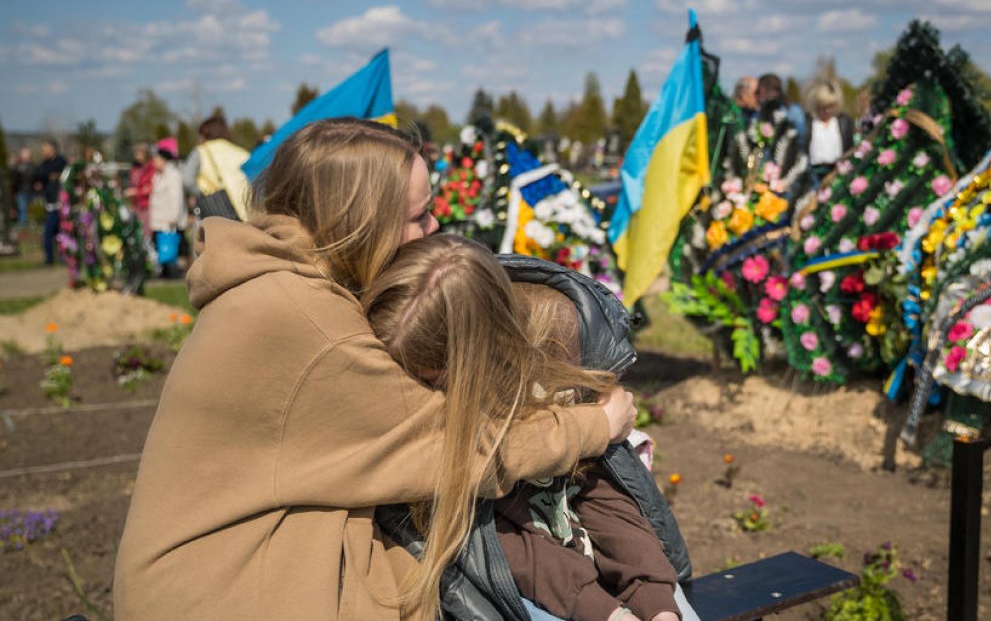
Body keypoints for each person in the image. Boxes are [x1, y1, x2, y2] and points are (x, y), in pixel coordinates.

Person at [114, 118, 635, 620]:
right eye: (419, 217)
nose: (436, 228)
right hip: (236, 597)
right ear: (357, 224)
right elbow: (457, 450)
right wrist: (595, 424)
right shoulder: (315, 329)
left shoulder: (276, 289)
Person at [363, 237, 684, 621]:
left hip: (598, 561)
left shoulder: (552, 354)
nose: (428, 394)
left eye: (434, 381)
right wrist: (606, 611)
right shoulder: (447, 444)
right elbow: (506, 544)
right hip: (533, 584)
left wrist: (654, 595)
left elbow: (600, 488)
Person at [181, 114, 253, 220]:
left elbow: (186, 179)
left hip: (217, 210)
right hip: (245, 210)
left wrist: (201, 193)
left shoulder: (202, 151)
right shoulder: (242, 152)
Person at [148, 139, 186, 278]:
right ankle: (164, 274)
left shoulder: (174, 175)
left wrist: (173, 217)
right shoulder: (157, 176)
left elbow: (176, 198)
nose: (154, 162)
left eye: (156, 159)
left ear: (164, 159)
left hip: (169, 221)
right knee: (162, 252)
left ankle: (174, 275)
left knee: (170, 251)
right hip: (158, 220)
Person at [800, 78, 854, 172]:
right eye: (823, 106)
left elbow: (849, 149)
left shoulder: (844, 121)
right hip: (812, 173)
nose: (827, 110)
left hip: (836, 172)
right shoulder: (807, 121)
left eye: (831, 106)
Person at [33, 139, 66, 264]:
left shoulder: (61, 161)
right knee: (58, 234)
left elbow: (58, 175)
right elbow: (39, 175)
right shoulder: (44, 164)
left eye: (45, 149)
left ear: (52, 149)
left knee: (49, 233)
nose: (43, 152)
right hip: (50, 202)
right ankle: (59, 259)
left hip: (60, 204)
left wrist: (51, 177)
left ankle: (51, 260)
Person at [125, 143, 156, 238]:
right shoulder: (135, 168)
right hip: (136, 204)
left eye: (138, 153)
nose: (136, 156)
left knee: (145, 232)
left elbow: (151, 187)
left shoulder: (151, 167)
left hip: (147, 205)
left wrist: (136, 192)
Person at [11, 147, 35, 226]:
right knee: (22, 209)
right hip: (21, 191)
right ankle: (22, 227)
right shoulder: (18, 166)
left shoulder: (33, 166)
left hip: (31, 191)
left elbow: (36, 177)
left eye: (27, 153)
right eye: (24, 153)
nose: (26, 155)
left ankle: (30, 227)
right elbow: (14, 180)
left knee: (30, 211)